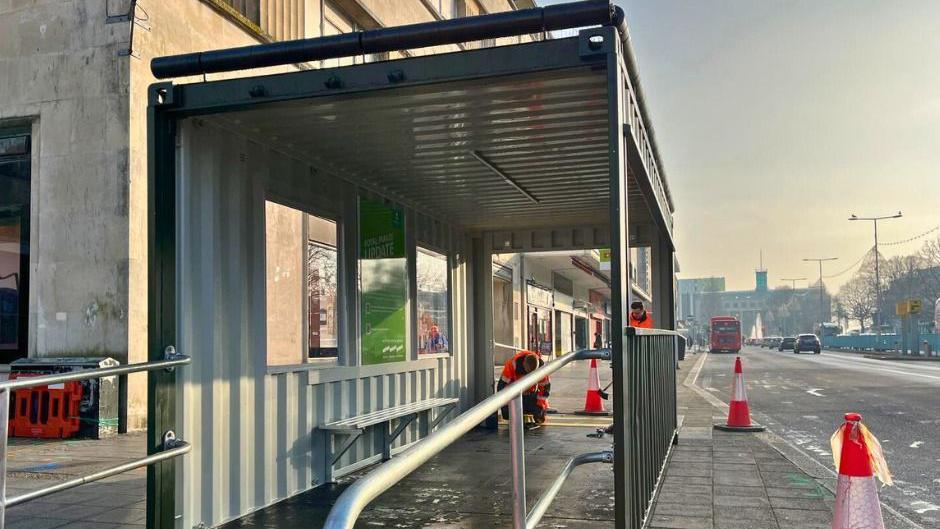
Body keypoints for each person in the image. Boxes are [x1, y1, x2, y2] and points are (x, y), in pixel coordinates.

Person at [497, 350, 551, 427]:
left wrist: (540, 407)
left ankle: (533, 411)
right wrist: (506, 406)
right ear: (523, 365)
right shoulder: (511, 365)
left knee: (539, 415)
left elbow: (545, 390)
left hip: (530, 395)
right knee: (507, 414)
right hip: (514, 395)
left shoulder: (541, 369)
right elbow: (501, 387)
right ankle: (515, 411)